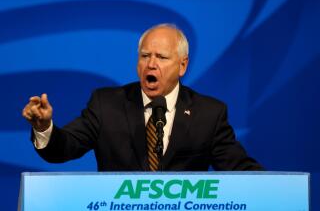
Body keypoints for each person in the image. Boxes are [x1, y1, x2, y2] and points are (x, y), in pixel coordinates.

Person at [22, 23, 263, 171]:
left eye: (162, 57)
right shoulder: (106, 105)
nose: (151, 64)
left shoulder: (208, 114)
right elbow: (63, 149)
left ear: (182, 65)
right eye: (145, 55)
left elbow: (238, 169)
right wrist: (44, 127)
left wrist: (281, 189)